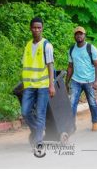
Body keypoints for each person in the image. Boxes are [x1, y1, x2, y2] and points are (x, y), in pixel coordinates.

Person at [21, 17, 55, 147]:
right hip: (29, 85)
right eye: (34, 27)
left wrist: (51, 85)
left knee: (40, 114)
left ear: (42, 29)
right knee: (25, 112)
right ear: (30, 28)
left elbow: (50, 65)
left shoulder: (47, 45)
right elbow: (25, 65)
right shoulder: (28, 45)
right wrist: (23, 83)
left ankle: (38, 141)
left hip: (42, 85)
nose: (36, 30)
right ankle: (37, 130)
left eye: (39, 27)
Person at [65, 26, 97, 131]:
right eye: (77, 34)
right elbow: (70, 67)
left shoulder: (91, 48)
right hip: (76, 81)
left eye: (81, 34)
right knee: (72, 103)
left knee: (92, 102)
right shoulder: (72, 49)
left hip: (89, 81)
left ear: (84, 35)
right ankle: (71, 125)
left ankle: (95, 122)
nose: (79, 35)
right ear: (74, 36)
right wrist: (66, 82)